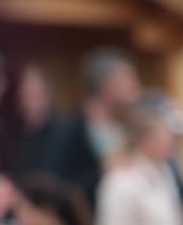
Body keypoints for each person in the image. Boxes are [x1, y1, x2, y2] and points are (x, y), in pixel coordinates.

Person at [51, 47, 142, 212]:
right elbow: (60, 187)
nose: (135, 85)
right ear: (105, 84)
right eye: (128, 77)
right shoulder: (69, 131)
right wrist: (101, 173)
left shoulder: (128, 127)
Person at [0, 63, 64, 183]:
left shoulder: (65, 133)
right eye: (24, 96)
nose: (28, 102)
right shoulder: (7, 136)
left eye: (34, 94)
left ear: (47, 95)